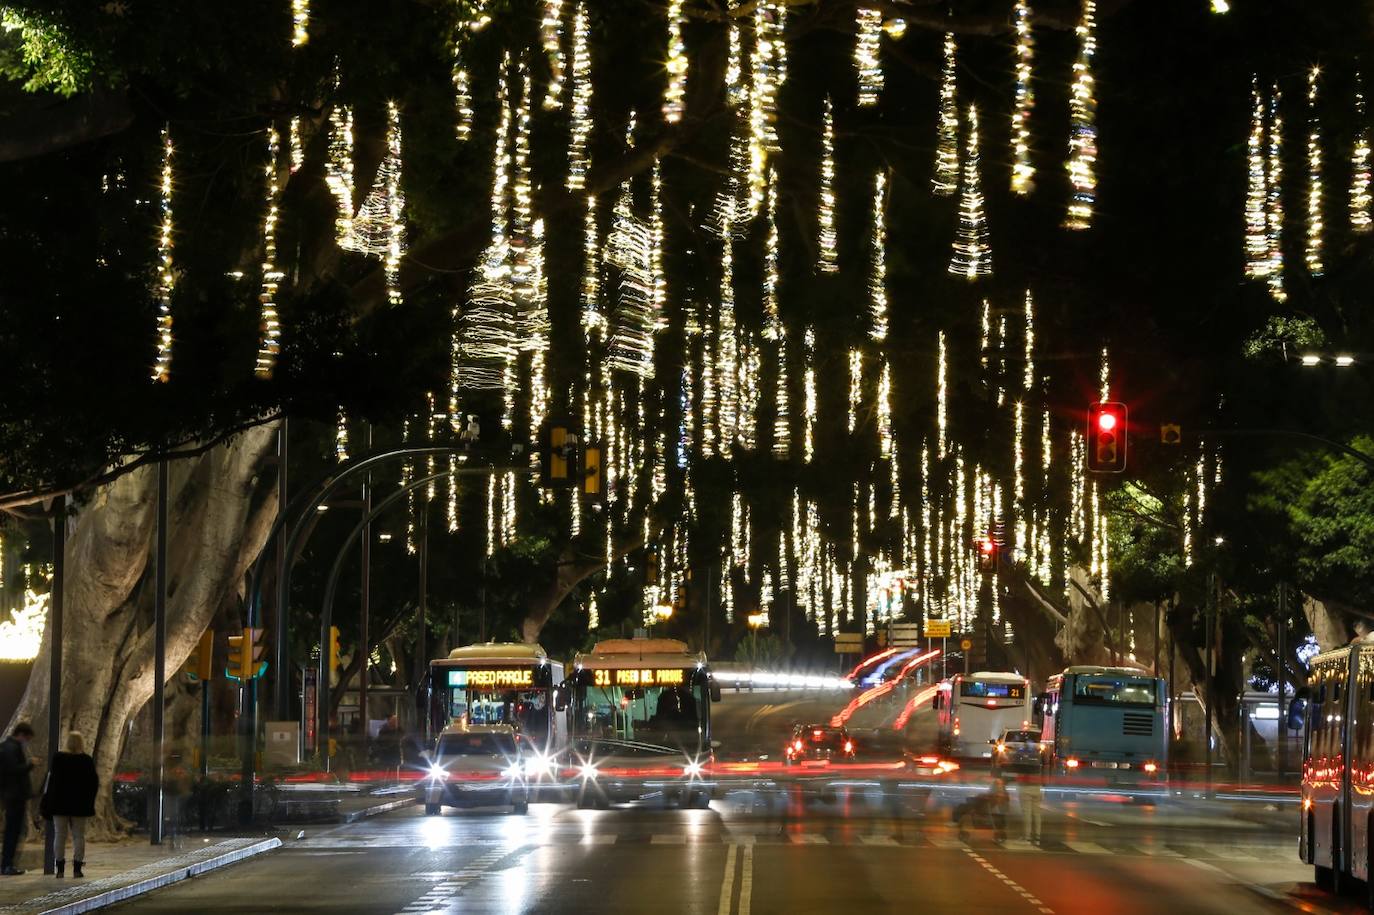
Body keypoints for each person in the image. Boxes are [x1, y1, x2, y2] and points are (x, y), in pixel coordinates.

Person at [42, 731, 97, 878]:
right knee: (79, 836)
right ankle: (77, 868)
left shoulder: (58, 758)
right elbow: (93, 784)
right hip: (80, 805)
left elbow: (52, 782)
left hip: (59, 804)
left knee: (59, 835)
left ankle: (59, 868)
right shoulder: (86, 760)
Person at [0, 722, 36, 875]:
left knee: (13, 831)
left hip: (11, 795)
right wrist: (30, 765)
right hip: (14, 796)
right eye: (27, 738)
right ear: (21, 734)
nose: (27, 741)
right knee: (13, 831)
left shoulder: (6, 746)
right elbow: (13, 770)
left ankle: (8, 864)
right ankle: (7, 865)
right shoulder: (11, 748)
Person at [1018, 770, 1044, 845]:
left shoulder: (1023, 761)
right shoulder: (1037, 761)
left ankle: (1027, 836)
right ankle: (1037, 837)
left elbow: (1020, 777)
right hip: (1037, 789)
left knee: (1027, 814)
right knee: (1037, 814)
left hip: (1025, 789)